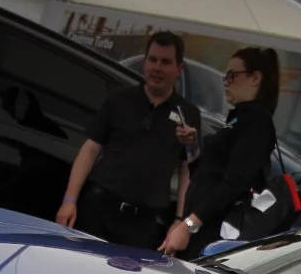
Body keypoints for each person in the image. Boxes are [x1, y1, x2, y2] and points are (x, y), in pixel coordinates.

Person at [56, 31, 200, 249]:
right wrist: (69, 200)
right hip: (98, 209)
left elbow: (188, 171)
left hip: (143, 224)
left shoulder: (187, 114)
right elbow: (90, 149)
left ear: (179, 69)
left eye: (165, 62)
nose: (157, 68)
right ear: (144, 62)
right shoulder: (119, 99)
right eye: (152, 59)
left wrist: (180, 221)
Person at [160, 46, 280, 258]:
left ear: (255, 78)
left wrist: (189, 225)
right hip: (199, 224)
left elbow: (235, 182)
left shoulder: (257, 121)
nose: (226, 82)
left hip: (211, 232)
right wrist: (191, 145)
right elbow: (205, 173)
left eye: (232, 75)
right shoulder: (238, 118)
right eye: (226, 76)